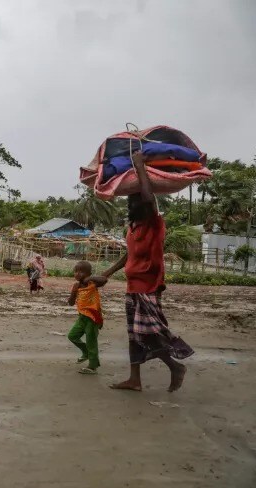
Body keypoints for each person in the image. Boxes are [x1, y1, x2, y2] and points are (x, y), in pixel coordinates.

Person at [103, 152, 194, 392]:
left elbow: (148, 196)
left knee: (152, 333)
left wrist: (141, 166)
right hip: (132, 288)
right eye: (130, 202)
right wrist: (107, 274)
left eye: (136, 202)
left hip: (148, 288)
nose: (131, 204)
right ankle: (135, 380)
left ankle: (175, 366)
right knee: (134, 335)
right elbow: (128, 256)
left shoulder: (155, 224)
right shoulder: (132, 228)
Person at [67, 261, 107, 375]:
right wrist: (73, 292)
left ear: (89, 273)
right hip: (82, 317)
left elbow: (104, 280)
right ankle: (86, 353)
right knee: (72, 336)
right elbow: (70, 303)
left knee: (91, 342)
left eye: (81, 271)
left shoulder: (92, 284)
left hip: (93, 318)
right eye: (76, 271)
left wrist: (89, 278)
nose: (77, 274)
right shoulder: (76, 285)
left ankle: (93, 366)